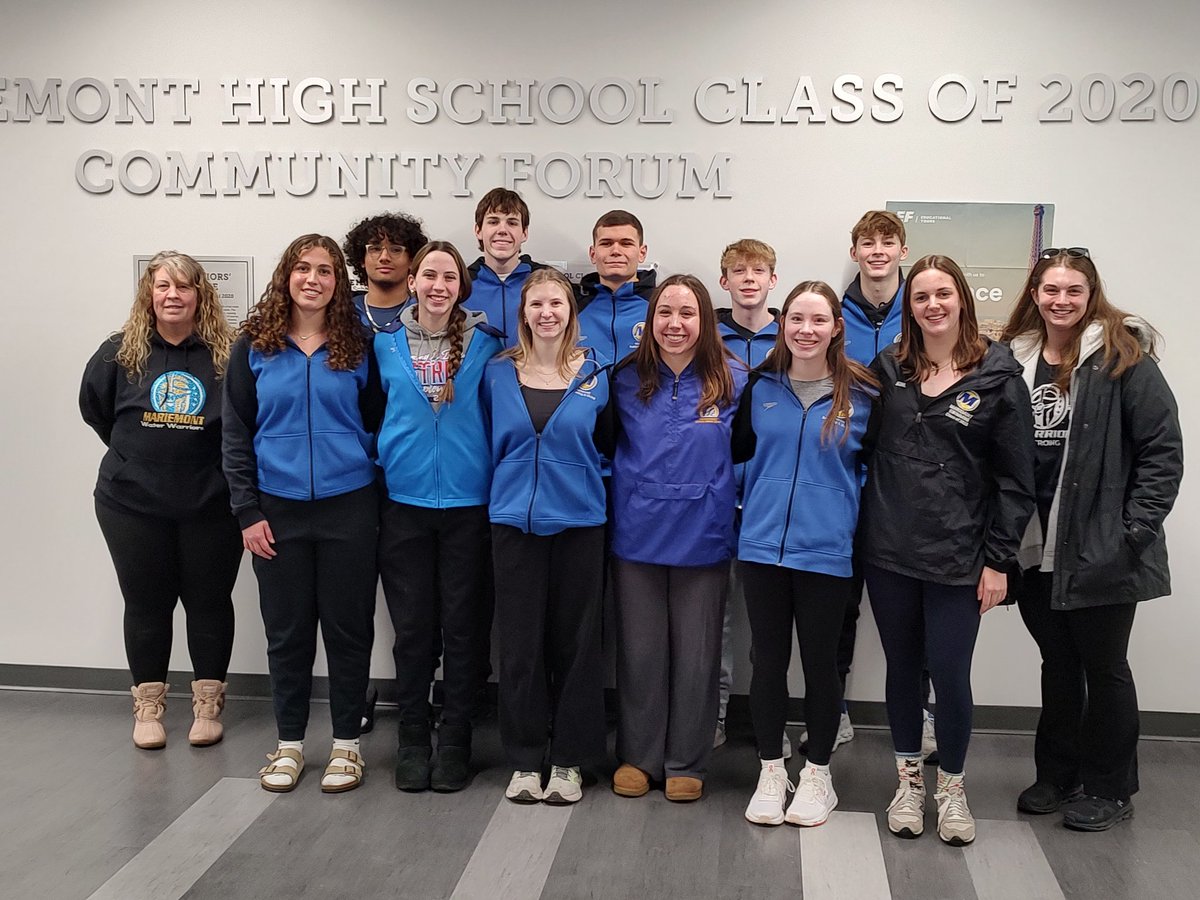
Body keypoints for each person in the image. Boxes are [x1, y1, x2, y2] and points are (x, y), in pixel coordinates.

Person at [1002, 247, 1182, 832]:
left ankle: (1109, 786)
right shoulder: (1014, 358)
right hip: (1035, 546)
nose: (1061, 300)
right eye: (1050, 289)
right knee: (1057, 662)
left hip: (1101, 547)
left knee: (1105, 668)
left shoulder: (1123, 357)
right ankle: (1058, 774)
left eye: (1073, 290)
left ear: (1090, 294)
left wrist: (1133, 531)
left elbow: (1161, 453)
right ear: (1035, 294)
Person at [859, 254, 1035, 845]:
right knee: (903, 671)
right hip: (889, 548)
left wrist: (999, 562)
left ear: (962, 299)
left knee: (952, 674)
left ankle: (952, 789)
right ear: (909, 307)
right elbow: (861, 448)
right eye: (920, 297)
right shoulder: (890, 369)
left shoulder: (999, 377)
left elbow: (1016, 481)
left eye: (943, 294)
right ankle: (908, 782)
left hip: (961, 556)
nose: (932, 305)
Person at [223, 234, 381, 794]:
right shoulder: (253, 346)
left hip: (350, 509)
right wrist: (247, 512)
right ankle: (289, 743)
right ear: (285, 275)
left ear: (339, 283)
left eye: (325, 270)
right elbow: (236, 434)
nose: (312, 279)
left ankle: (346, 746)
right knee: (286, 634)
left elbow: (379, 422)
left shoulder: (358, 345)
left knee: (347, 631)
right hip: (277, 514)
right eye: (302, 268)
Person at [80, 252, 242, 750]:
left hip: (212, 504)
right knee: (147, 604)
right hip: (131, 504)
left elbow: (245, 423)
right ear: (148, 293)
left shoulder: (229, 354)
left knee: (209, 603)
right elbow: (97, 412)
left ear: (201, 295)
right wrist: (141, 459)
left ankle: (208, 702)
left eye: (184, 287)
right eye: (163, 286)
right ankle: (149, 704)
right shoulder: (116, 352)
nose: (173, 295)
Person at [733, 281, 877, 827]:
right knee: (766, 662)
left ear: (836, 328)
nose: (806, 330)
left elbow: (872, 476)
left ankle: (817, 772)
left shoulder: (862, 395)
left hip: (828, 552)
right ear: (782, 324)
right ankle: (772, 769)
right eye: (797, 319)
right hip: (763, 549)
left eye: (818, 320)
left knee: (821, 665)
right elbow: (738, 455)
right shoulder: (760, 387)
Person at [609, 274, 747, 803]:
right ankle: (639, 756)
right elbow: (606, 443)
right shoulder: (624, 379)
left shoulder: (735, 377)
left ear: (705, 320)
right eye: (665, 312)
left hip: (704, 532)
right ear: (651, 320)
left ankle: (687, 759)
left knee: (697, 653)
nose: (675, 324)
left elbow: (746, 447)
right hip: (637, 531)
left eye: (687, 313)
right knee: (640, 651)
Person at [375, 240, 503, 793]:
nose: (438, 286)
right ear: (413, 282)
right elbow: (367, 414)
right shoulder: (384, 346)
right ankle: (410, 738)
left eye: (449, 277)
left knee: (464, 628)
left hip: (468, 506)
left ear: (461, 286)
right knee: (413, 631)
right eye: (429, 275)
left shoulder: (489, 348)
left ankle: (455, 740)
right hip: (402, 506)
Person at [483, 268, 611, 804]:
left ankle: (569, 762)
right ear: (524, 313)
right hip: (513, 523)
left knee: (578, 645)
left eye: (556, 303)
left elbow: (609, 447)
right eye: (537, 304)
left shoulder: (597, 373)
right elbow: (487, 438)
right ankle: (523, 758)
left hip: (580, 523)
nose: (547, 313)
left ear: (570, 311)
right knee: (518, 646)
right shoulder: (495, 373)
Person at [823, 209, 921, 758]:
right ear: (855, 250)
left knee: (913, 609)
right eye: (867, 241)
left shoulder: (925, 308)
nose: (878, 250)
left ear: (901, 250)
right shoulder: (833, 316)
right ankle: (832, 711)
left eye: (888, 241)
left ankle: (922, 712)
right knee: (839, 608)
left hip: (906, 486)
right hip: (843, 482)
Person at [713, 238, 781, 750]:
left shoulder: (795, 336)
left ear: (773, 281)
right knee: (717, 615)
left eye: (759, 271)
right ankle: (713, 715)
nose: (749, 279)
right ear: (725, 282)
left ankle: (768, 723)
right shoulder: (704, 337)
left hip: (772, 498)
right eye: (739, 271)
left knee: (768, 620)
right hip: (714, 494)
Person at [466, 187, 548, 348]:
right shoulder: (461, 285)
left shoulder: (547, 281)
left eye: (512, 223)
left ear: (524, 233)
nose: (502, 230)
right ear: (478, 231)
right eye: (493, 221)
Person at [576, 209, 657, 363]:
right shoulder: (571, 304)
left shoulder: (660, 304)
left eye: (626, 243)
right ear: (593, 254)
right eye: (606, 244)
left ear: (642, 253)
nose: (615, 251)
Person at [343, 211, 428, 334]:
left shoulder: (424, 312)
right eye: (375, 249)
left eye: (395, 250)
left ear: (412, 260)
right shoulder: (343, 312)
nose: (384, 257)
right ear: (362, 259)